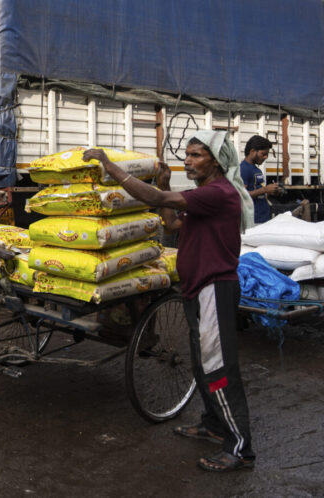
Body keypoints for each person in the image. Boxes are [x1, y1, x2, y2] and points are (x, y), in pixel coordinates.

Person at [82, 131, 256, 472]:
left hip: (214, 290)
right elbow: (173, 223)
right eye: (187, 155)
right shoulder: (206, 195)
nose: (187, 161)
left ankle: (240, 447)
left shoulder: (219, 193)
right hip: (197, 289)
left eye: (195, 155)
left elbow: (161, 198)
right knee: (201, 363)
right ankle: (212, 424)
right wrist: (163, 187)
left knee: (218, 369)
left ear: (216, 161)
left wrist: (110, 166)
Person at [240, 135, 280, 224]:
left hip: (263, 218)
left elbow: (259, 192)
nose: (266, 157)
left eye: (267, 154)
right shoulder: (243, 169)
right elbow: (241, 195)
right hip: (253, 221)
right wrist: (265, 189)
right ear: (253, 151)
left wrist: (272, 191)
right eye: (263, 154)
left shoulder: (256, 169)